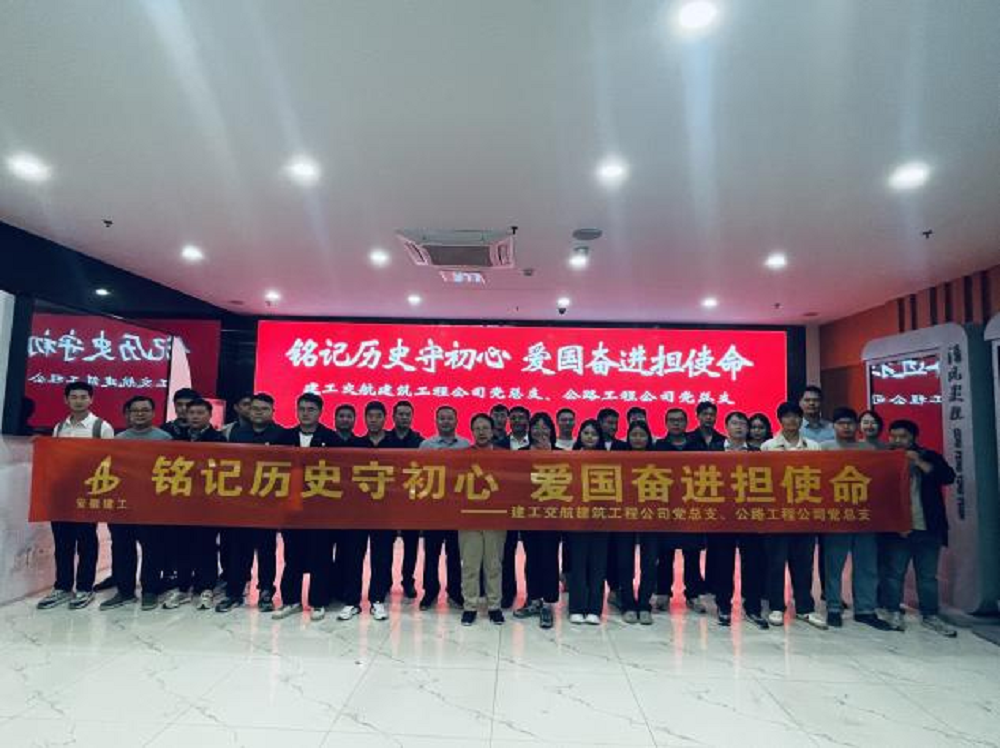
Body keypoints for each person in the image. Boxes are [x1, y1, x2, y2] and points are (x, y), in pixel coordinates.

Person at [37, 382, 115, 611]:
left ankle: (84, 588)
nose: (78, 401)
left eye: (83, 397)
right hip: (62, 494)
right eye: (74, 397)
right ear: (66, 400)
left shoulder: (101, 427)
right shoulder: (59, 427)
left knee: (86, 541)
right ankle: (62, 587)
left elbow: (110, 460)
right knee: (62, 542)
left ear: (91, 400)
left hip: (88, 493)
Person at [882, 420, 957, 637]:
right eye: (894, 436)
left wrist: (919, 462)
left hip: (928, 528)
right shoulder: (884, 459)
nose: (897, 441)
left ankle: (930, 615)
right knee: (894, 574)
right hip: (898, 529)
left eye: (903, 436)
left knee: (927, 576)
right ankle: (893, 611)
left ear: (914, 438)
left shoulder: (929, 456)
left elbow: (948, 477)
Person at [820, 408, 892, 630]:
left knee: (866, 565)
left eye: (850, 423)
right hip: (836, 516)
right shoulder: (825, 448)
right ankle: (834, 607)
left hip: (864, 516)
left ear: (856, 426)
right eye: (841, 423)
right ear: (834, 426)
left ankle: (865, 609)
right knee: (834, 566)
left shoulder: (869, 449)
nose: (846, 427)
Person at [99, 396, 172, 611]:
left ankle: (150, 590)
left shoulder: (165, 439)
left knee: (152, 549)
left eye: (145, 410)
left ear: (153, 413)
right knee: (122, 548)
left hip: (152, 505)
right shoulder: (118, 439)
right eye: (135, 410)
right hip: (123, 504)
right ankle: (125, 591)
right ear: (128, 414)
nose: (140, 414)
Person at [273, 393, 341, 623]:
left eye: (311, 409)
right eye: (301, 408)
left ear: (320, 412)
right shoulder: (284, 437)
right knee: (292, 556)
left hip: (321, 509)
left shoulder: (331, 439)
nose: (305, 413)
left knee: (321, 556)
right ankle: (291, 600)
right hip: (291, 508)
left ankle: (318, 601)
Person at [216, 393, 285, 613]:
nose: (258, 412)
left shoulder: (282, 435)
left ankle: (266, 591)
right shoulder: (237, 434)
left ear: (272, 412)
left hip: (269, 503)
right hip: (242, 502)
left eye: (264, 409)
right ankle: (234, 592)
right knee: (239, 550)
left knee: (266, 550)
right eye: (255, 408)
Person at [761, 402, 826, 629]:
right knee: (775, 563)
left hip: (804, 515)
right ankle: (776, 607)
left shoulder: (814, 447)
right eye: (787, 417)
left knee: (804, 564)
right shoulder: (768, 447)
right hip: (777, 516)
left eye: (796, 417)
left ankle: (805, 608)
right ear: (780, 420)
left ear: (801, 420)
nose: (792, 421)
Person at [705, 411, 769, 629]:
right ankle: (723, 606)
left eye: (743, 423)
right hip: (722, 516)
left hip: (749, 516)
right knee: (723, 563)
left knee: (753, 563)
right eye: (734, 423)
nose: (739, 426)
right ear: (726, 427)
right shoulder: (713, 451)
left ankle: (752, 607)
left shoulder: (757, 453)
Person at [164, 397, 226, 611]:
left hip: (208, 502)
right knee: (181, 545)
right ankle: (182, 587)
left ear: (209, 415)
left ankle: (206, 587)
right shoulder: (176, 438)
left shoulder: (219, 439)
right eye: (192, 413)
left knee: (206, 545)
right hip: (181, 501)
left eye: (200, 413)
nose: (195, 417)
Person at [337, 401, 396, 621]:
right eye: (370, 416)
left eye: (378, 416)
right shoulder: (355, 443)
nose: (374, 419)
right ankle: (352, 601)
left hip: (385, 511)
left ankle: (377, 600)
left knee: (381, 558)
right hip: (357, 511)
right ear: (364, 418)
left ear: (385, 418)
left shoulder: (394, 445)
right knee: (353, 557)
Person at [650, 408, 703, 612]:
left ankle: (693, 595)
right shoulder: (659, 447)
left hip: (691, 507)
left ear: (686, 423)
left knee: (692, 555)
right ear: (666, 423)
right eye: (672, 420)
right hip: (667, 508)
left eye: (680, 420)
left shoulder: (697, 445)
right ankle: (663, 593)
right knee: (665, 555)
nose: (676, 423)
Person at [457, 413, 506, 626]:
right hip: (469, 519)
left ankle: (494, 606)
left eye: (485, 428)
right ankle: (470, 606)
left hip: (496, 518)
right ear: (472, 432)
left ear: (493, 430)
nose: (482, 432)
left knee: (493, 565)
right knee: (470, 565)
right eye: (477, 428)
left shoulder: (505, 456)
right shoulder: (463, 456)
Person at [418, 405, 468, 611]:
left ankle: (455, 591)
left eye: (449, 418)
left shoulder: (466, 445)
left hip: (457, 511)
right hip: (433, 511)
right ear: (436, 421)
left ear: (456, 421)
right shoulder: (425, 445)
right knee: (431, 554)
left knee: (454, 555)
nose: (446, 422)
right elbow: (418, 476)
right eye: (442, 418)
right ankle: (430, 592)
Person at [514, 412, 561, 629]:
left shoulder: (561, 454)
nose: (540, 431)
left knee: (549, 558)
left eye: (544, 427)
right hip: (529, 515)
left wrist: (548, 455)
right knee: (531, 558)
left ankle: (548, 604)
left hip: (553, 516)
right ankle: (533, 599)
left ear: (551, 430)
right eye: (536, 427)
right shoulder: (521, 453)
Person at [567, 419, 607, 625]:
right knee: (578, 565)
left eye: (594, 434)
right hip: (577, 519)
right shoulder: (570, 458)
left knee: (598, 566)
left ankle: (594, 609)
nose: (590, 437)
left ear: (600, 438)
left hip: (602, 519)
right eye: (586, 433)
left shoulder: (608, 460)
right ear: (580, 435)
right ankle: (576, 607)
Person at [383, 400, 424, 600]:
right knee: (385, 545)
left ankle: (408, 581)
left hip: (411, 501)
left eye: (408, 414)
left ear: (412, 417)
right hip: (387, 502)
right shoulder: (384, 439)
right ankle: (385, 581)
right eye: (400, 414)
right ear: (393, 416)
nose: (404, 417)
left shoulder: (420, 442)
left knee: (411, 545)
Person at [625, 420, 658, 625]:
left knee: (649, 562)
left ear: (648, 438)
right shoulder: (619, 458)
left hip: (651, 517)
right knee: (624, 562)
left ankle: (644, 604)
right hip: (624, 517)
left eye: (642, 435)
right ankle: (628, 603)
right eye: (634, 435)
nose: (638, 439)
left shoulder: (657, 460)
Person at [499, 406, 530, 609]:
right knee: (506, 552)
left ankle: (532, 594)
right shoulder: (500, 445)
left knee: (532, 553)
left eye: (522, 418)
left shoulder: (535, 444)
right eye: (514, 418)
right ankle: (507, 592)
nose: (518, 421)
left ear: (528, 421)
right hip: (506, 505)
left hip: (530, 505)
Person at [597, 408, 627, 609]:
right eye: (609, 422)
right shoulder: (590, 445)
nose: (613, 426)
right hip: (594, 508)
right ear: (600, 423)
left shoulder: (623, 447)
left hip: (618, 508)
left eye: (615, 423)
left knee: (616, 552)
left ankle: (616, 590)